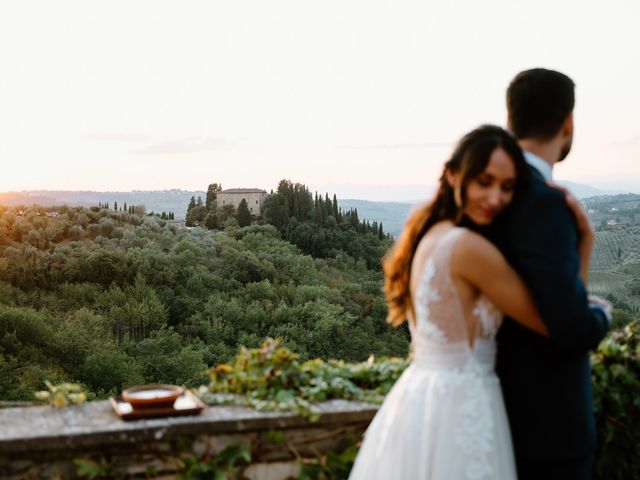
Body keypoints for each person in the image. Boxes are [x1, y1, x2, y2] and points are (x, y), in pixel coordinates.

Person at [349, 125, 593, 479]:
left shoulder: (430, 234)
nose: (495, 197)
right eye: (484, 181)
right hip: (462, 410)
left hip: (420, 401)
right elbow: (554, 321)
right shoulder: (468, 248)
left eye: (507, 187)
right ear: (452, 176)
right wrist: (584, 246)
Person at [492, 68, 611, 479]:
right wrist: (602, 312)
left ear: (511, 121)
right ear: (568, 124)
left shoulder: (481, 195)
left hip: (489, 409)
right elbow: (572, 327)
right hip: (546, 430)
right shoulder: (542, 202)